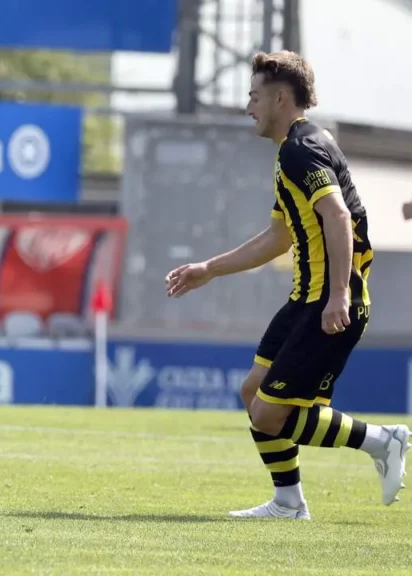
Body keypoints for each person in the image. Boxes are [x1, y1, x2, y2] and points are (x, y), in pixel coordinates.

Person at [165, 50, 408, 520]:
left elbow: (337, 215)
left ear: (280, 98)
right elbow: (279, 236)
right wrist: (209, 269)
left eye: (254, 96)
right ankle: (289, 502)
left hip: (330, 300)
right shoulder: (294, 150)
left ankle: (383, 440)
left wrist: (338, 294)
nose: (248, 106)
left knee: (268, 414)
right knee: (253, 393)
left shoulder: (302, 150)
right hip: (305, 299)